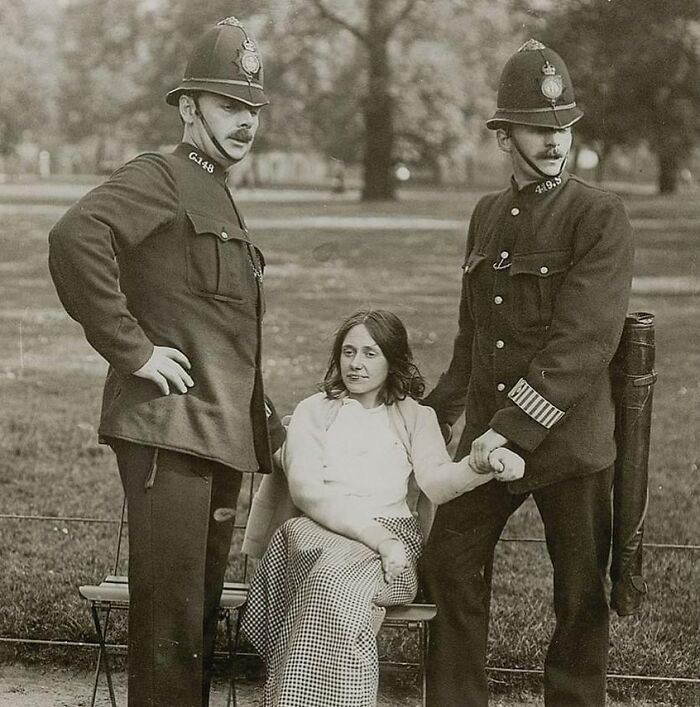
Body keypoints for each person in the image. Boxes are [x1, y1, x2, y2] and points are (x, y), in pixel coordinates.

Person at [48, 17, 283, 707]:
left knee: (195, 619)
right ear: (189, 108)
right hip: (168, 435)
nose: (244, 122)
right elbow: (74, 236)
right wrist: (134, 349)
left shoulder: (215, 190)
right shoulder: (163, 174)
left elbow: (218, 324)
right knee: (169, 624)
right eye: (228, 106)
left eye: (251, 109)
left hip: (214, 435)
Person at [420, 39, 635, 707]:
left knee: (579, 592)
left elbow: (583, 342)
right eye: (539, 129)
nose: (554, 142)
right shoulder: (487, 214)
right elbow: (472, 334)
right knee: (448, 561)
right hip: (488, 437)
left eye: (562, 127)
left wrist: (511, 429)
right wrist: (427, 414)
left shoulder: (597, 214)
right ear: (503, 134)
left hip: (568, 443)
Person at [239, 309, 525, 707]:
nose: (356, 364)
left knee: (335, 589)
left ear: (393, 359)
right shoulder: (312, 411)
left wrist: (478, 466)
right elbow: (307, 492)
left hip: (394, 546)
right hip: (317, 533)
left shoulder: (415, 416)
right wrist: (378, 539)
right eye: (348, 352)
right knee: (330, 581)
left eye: (371, 353)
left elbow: (438, 485)